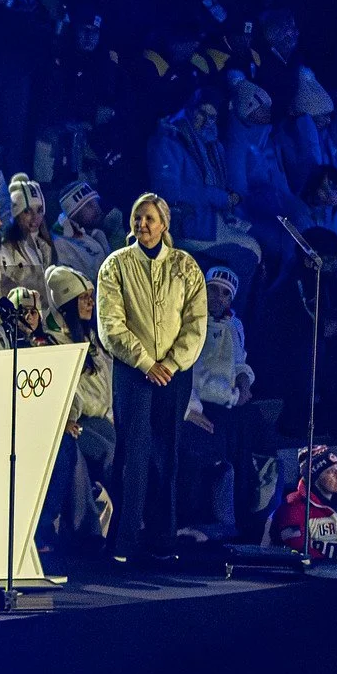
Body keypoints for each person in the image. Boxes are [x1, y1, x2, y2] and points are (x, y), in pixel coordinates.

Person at [96, 194, 206, 563]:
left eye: (149, 218)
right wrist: (145, 362)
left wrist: (172, 364)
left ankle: (162, 539)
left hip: (173, 376)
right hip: (133, 373)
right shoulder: (116, 266)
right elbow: (110, 325)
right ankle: (123, 542)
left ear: (164, 224)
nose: (142, 224)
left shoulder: (185, 267)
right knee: (132, 455)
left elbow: (196, 323)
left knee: (167, 454)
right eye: (137, 217)